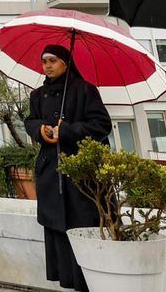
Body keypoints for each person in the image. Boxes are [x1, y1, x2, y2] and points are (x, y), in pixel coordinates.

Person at [24, 42, 111, 291]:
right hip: (51, 173)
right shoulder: (37, 95)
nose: (47, 66)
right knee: (58, 230)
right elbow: (30, 121)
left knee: (82, 228)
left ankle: (87, 284)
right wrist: (40, 130)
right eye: (44, 61)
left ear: (65, 62)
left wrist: (68, 131)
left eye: (52, 60)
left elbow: (101, 125)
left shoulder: (85, 90)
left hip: (80, 178)